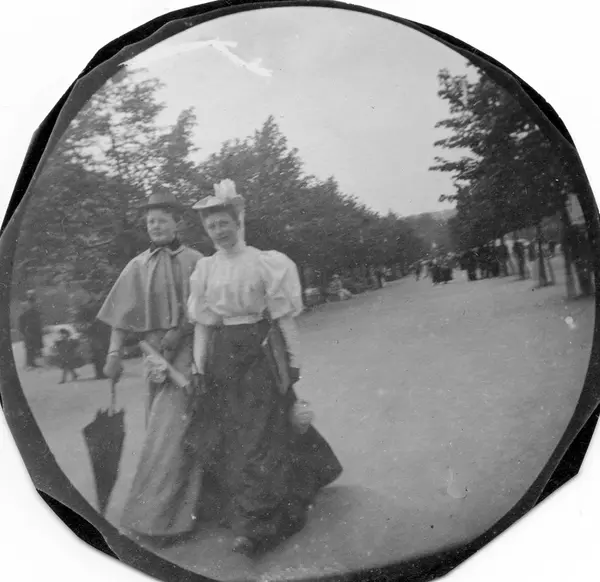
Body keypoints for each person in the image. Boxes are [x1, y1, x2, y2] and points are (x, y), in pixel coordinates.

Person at [187, 179, 342, 557]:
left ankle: (258, 524)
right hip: (224, 356)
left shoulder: (265, 262)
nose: (219, 231)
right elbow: (203, 324)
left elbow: (284, 318)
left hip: (260, 351)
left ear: (237, 222)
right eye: (211, 226)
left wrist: (294, 360)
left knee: (260, 434)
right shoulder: (205, 269)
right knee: (232, 435)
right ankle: (251, 508)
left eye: (224, 223)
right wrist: (198, 366)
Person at [96, 190, 204, 542]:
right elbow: (119, 317)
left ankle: (159, 520)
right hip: (153, 353)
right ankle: (181, 509)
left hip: (189, 350)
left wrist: (180, 332)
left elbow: (206, 308)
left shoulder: (197, 261)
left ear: (177, 222)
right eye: (150, 222)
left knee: (171, 429)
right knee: (163, 426)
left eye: (161, 220)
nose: (155, 226)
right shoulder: (137, 266)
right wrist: (113, 354)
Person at [18, 291, 44, 369]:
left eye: (33, 303)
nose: (33, 304)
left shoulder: (36, 312)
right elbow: (21, 324)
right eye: (31, 303)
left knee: (35, 348)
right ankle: (29, 364)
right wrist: (25, 332)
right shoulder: (26, 313)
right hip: (29, 332)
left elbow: (39, 322)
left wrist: (40, 331)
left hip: (36, 332)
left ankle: (33, 363)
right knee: (30, 349)